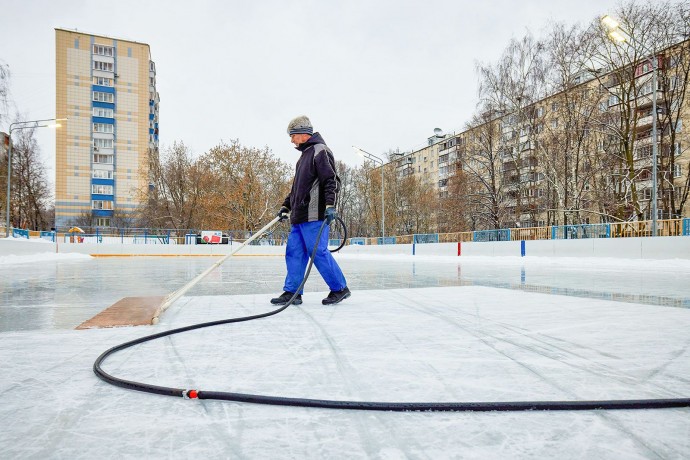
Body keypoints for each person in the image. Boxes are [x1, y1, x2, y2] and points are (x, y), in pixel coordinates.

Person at [271, 115, 351, 306]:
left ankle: (340, 288)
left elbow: (330, 180)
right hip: (299, 216)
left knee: (318, 252)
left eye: (293, 136)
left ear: (303, 134)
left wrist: (330, 205)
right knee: (294, 252)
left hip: (315, 214)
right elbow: (297, 188)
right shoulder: (303, 157)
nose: (291, 140)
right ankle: (293, 292)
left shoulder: (319, 151)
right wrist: (286, 206)